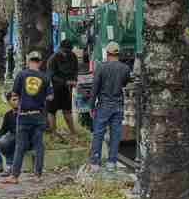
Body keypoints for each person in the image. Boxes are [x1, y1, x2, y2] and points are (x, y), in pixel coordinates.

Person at [3, 51, 52, 185]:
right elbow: (50, 97)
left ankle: (14, 176)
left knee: (20, 146)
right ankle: (37, 175)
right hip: (39, 115)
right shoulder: (45, 77)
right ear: (40, 62)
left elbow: (14, 94)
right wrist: (40, 97)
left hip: (23, 116)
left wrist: (23, 101)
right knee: (39, 145)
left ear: (28, 61)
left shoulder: (21, 75)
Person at [88, 41, 132, 172]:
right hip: (118, 105)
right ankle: (111, 163)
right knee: (116, 134)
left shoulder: (101, 67)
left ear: (107, 53)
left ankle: (95, 163)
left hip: (104, 105)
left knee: (98, 134)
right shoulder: (125, 68)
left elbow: (94, 88)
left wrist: (91, 106)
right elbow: (125, 84)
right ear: (118, 53)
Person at [45, 39, 80, 136]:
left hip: (67, 88)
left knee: (67, 110)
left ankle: (73, 131)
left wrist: (75, 80)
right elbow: (51, 76)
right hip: (54, 87)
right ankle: (53, 133)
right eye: (64, 52)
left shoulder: (73, 56)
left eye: (68, 52)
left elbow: (76, 70)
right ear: (60, 49)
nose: (66, 54)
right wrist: (66, 82)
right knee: (52, 111)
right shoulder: (53, 59)